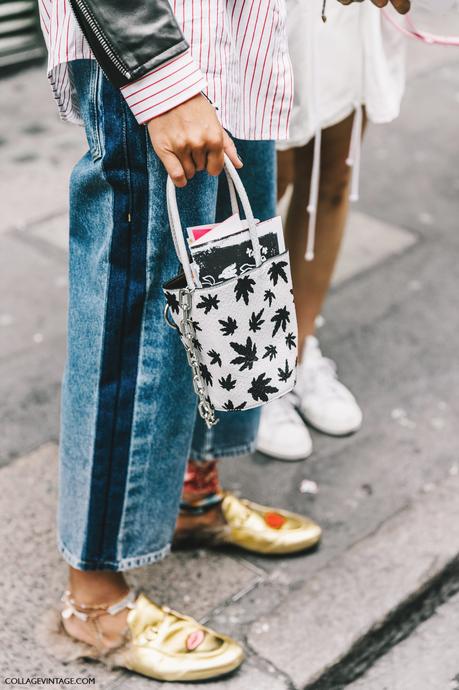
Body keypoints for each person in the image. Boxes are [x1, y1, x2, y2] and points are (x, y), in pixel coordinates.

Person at [37, 0, 327, 682]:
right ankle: (94, 603)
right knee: (134, 316)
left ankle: (191, 498)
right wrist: (160, 74)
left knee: (221, 282)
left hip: (232, 47)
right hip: (159, 45)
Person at [256, 0, 409, 461]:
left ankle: (298, 351)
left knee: (333, 180)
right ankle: (257, 367)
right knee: (264, 190)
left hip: (353, 17)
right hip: (273, 16)